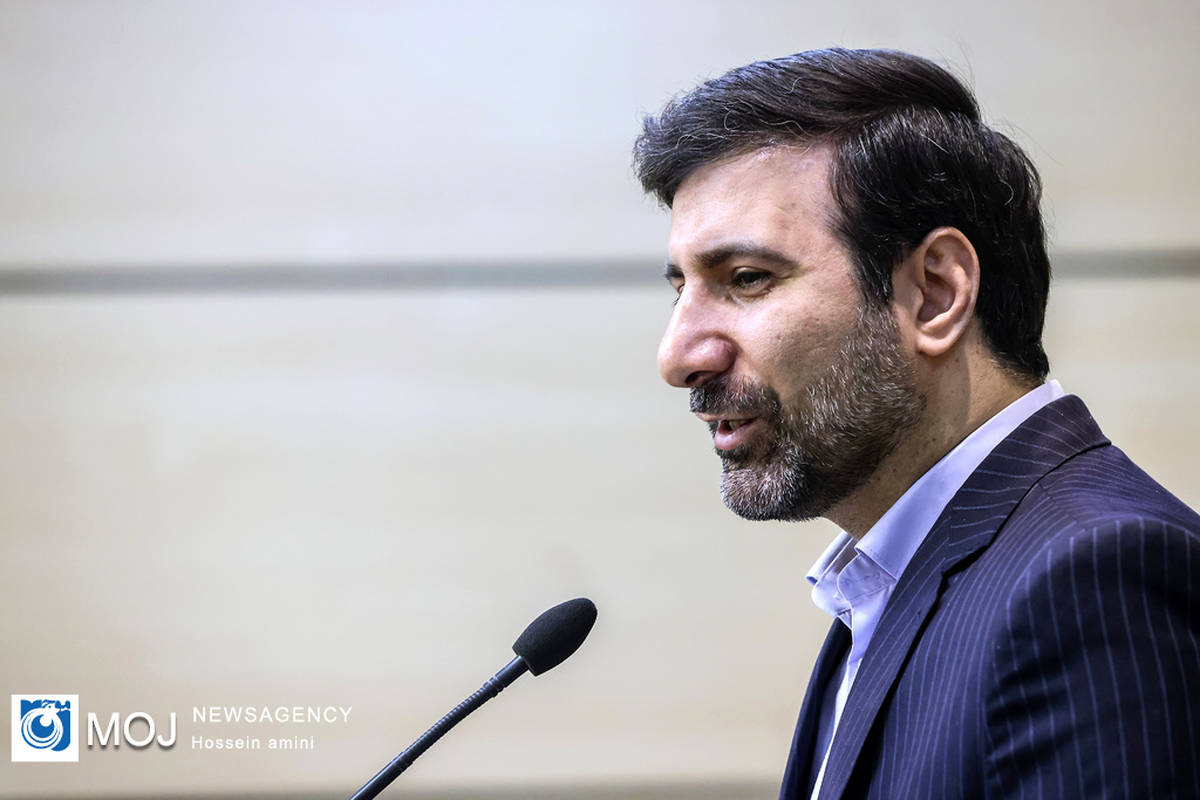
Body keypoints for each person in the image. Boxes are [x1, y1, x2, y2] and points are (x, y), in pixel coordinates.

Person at [633, 48, 1200, 799]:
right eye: (681, 288)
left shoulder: (1092, 578)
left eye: (746, 279)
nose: (678, 357)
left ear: (934, 293)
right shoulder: (893, 577)